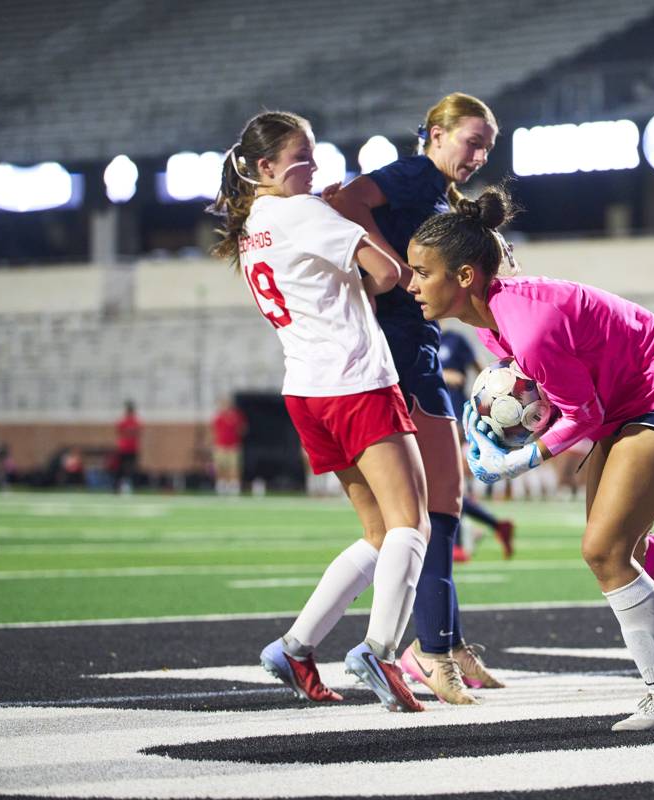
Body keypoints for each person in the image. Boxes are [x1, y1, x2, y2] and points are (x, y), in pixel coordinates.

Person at [406, 186, 654, 732]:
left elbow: (580, 414)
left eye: (421, 272)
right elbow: (558, 399)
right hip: (628, 402)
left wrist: (517, 460)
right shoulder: (494, 319)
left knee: (604, 551)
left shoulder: (529, 326)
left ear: (463, 277)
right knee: (625, 551)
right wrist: (495, 425)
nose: (411, 285)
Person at [207, 109, 429, 713]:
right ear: (265, 167)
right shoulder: (304, 212)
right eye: (303, 158)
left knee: (380, 534)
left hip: (305, 389)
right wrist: (357, 226)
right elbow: (389, 275)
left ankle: (296, 646)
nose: (315, 168)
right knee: (413, 524)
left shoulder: (253, 222)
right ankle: (380, 651)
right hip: (354, 380)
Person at [326, 93, 506, 704]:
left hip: (416, 350)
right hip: (400, 355)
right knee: (436, 508)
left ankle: (443, 644)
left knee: (441, 505)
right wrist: (396, 266)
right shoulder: (414, 175)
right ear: (435, 133)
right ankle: (431, 651)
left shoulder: (438, 195)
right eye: (471, 141)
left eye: (487, 147)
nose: (478, 155)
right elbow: (343, 202)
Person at [440, 326, 515, 561]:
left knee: (444, 483)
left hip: (450, 416)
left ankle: (460, 542)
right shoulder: (412, 335)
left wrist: (499, 395)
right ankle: (492, 525)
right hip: (424, 417)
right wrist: (440, 375)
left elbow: (482, 370)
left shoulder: (455, 339)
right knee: (442, 484)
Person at [211, 397, 248, 496]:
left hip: (233, 446)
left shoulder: (237, 416)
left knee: (234, 467)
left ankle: (234, 487)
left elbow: (243, 429)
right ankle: (221, 486)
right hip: (220, 446)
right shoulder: (218, 416)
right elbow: (215, 431)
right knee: (220, 467)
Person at [113, 401, 141, 494]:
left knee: (133, 470)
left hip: (132, 449)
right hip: (123, 449)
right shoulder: (123, 422)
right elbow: (119, 432)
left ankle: (134, 487)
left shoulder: (136, 422)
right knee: (120, 469)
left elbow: (138, 433)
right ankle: (117, 487)